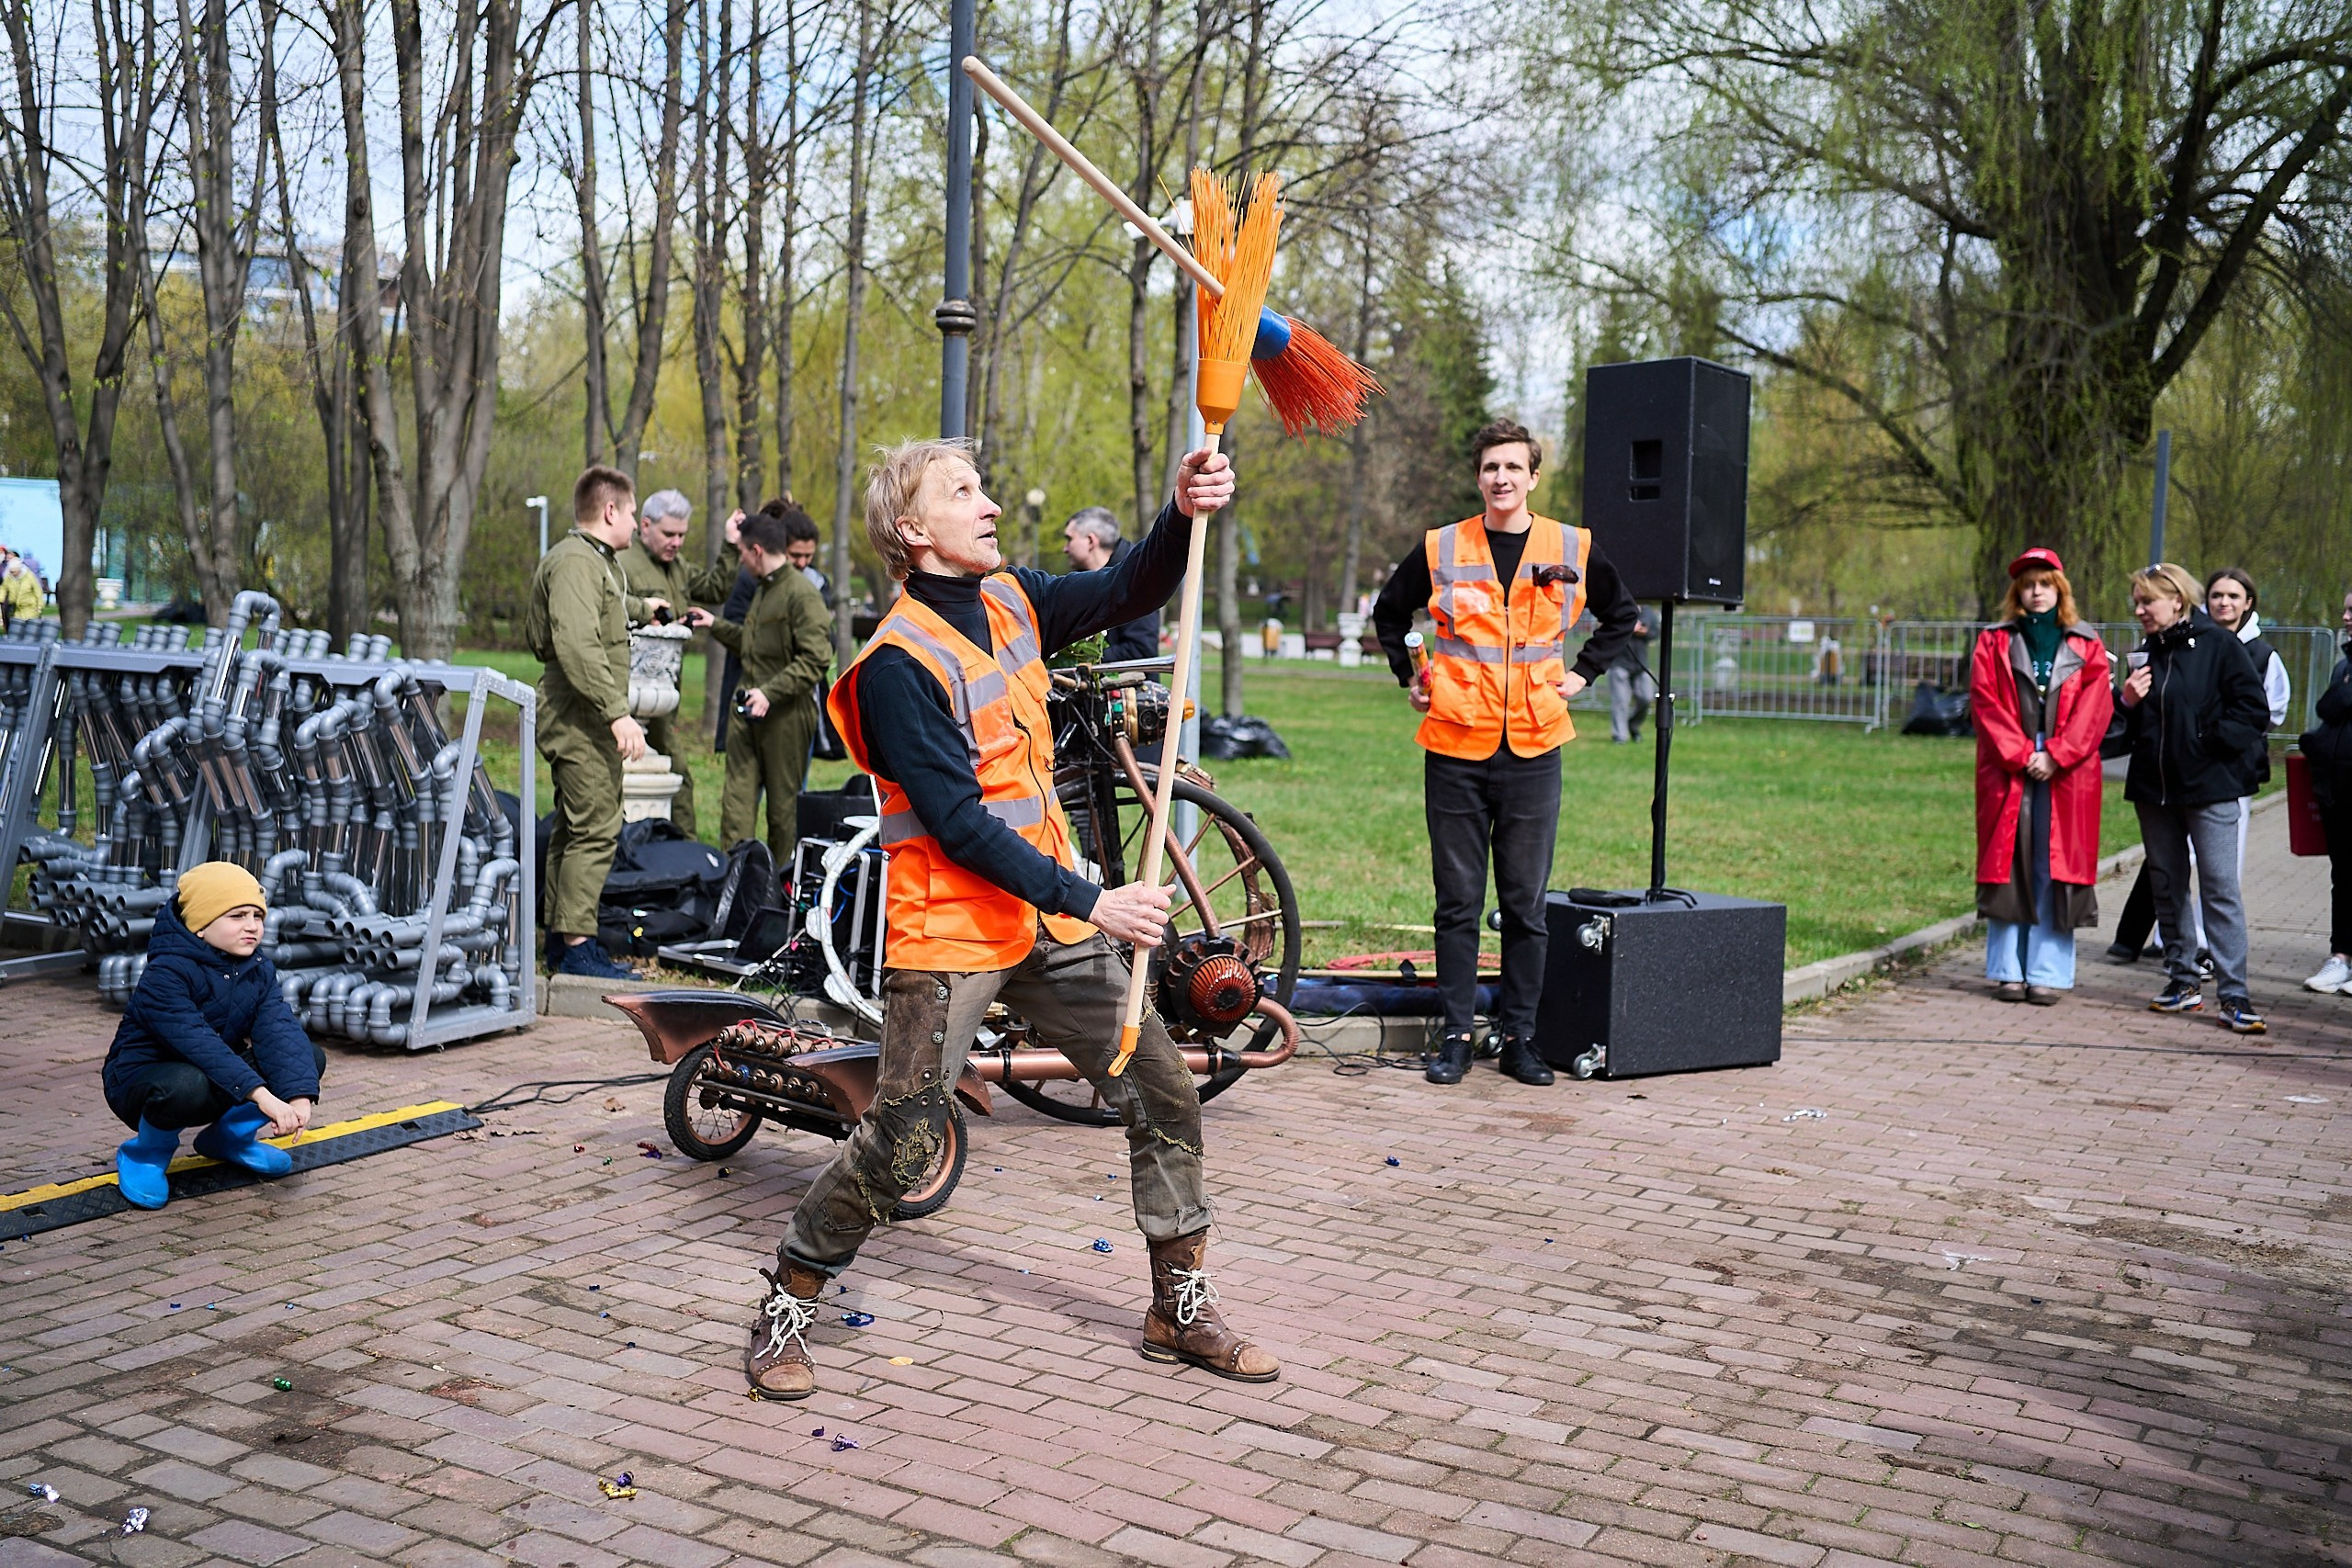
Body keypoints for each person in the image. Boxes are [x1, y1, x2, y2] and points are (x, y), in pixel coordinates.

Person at [741, 436, 1278, 1401]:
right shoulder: (895, 665)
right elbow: (955, 823)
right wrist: (1092, 897)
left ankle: (1178, 1306)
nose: (988, 505)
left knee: (1163, 1088)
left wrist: (1183, 508)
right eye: (963, 492)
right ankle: (788, 1294)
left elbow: (1127, 587)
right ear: (911, 532)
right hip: (953, 927)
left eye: (984, 486)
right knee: (904, 1141)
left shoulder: (1012, 600)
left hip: (1049, 926)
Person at [1371, 417, 1642, 1087]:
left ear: (1533, 476)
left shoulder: (1569, 545)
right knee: (1457, 901)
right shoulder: (1442, 546)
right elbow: (1388, 612)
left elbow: (1621, 614)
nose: (1501, 478)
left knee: (1525, 905)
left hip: (1534, 746)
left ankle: (1520, 1037)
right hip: (1456, 746)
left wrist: (1580, 675)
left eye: (1513, 468)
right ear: (1479, 475)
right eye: (1491, 467)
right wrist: (1412, 679)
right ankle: (1457, 1036)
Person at [2104, 562, 2271, 1032]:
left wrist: (2206, 743)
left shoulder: (2219, 645)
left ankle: (2234, 992)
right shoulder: (2145, 655)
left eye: (2146, 601)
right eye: (2136, 602)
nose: (2138, 611)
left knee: (2219, 886)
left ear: (2176, 599)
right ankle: (2182, 980)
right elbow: (2118, 734)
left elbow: (2251, 710)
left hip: (2209, 788)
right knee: (2167, 885)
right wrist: (2127, 703)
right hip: (2154, 791)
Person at [102, 862, 326, 1210]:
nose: (252, 926)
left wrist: (297, 1095)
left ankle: (229, 1140)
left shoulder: (257, 968)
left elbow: (278, 1030)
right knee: (185, 1083)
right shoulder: (166, 972)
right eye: (237, 916)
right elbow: (199, 1044)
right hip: (144, 1080)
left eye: (257, 915)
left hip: (215, 1075)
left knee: (306, 1058)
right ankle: (146, 1155)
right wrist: (265, 1098)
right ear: (200, 927)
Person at [527, 465, 660, 981]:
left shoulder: (592, 562)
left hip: (581, 709)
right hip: (579, 712)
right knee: (596, 827)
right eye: (632, 512)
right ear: (610, 511)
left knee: (576, 825)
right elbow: (578, 644)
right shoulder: (578, 565)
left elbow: (605, 608)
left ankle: (562, 941)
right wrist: (618, 714)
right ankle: (578, 947)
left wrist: (646, 608)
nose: (634, 521)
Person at [1968, 548, 2112, 1004]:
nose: (2036, 592)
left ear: (2059, 590)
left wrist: (2057, 754)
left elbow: (2095, 711)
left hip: (2067, 771)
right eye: (2029, 584)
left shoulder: (2085, 645)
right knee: (2010, 863)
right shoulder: (1994, 642)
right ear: (2017, 591)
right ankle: (2007, 969)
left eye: (2045, 584)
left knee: (2056, 866)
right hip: (2008, 765)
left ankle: (2048, 972)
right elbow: (1985, 703)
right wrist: (2018, 752)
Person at [695, 504, 832, 867]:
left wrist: (770, 693)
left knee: (783, 814)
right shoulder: (762, 589)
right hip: (748, 713)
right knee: (736, 805)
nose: (740, 560)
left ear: (756, 551)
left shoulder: (801, 594)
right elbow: (754, 645)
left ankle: (780, 891)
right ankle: (734, 884)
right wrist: (714, 624)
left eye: (741, 553)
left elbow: (817, 658)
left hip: (786, 717)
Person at [617, 490, 741, 837]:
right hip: (626, 695)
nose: (676, 542)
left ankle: (681, 850)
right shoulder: (623, 563)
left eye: (682, 535)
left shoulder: (678, 567)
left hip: (662, 695)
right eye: (669, 534)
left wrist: (731, 545)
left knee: (675, 775)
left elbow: (715, 589)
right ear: (645, 526)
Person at [2301, 590, 2352, 995]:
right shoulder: (2343, 667)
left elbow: (2333, 706)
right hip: (2337, 789)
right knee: (2344, 876)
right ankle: (2342, 958)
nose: (2345, 616)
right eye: (2346, 607)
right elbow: (2328, 714)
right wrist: (2314, 744)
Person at [1064, 506, 1161, 661]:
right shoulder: (1080, 579)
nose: (1065, 548)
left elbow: (1141, 650)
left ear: (1090, 541)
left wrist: (1079, 660)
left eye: (1070, 539)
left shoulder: (1138, 573)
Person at [1610, 604, 1657, 744]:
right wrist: (1627, 627)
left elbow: (1654, 632)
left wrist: (1643, 631)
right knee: (1621, 701)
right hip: (1619, 663)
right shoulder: (1616, 607)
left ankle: (1633, 725)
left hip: (1641, 665)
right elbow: (1605, 629)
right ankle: (1620, 736)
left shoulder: (1647, 611)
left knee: (1646, 698)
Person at [0, 547, 42, 630]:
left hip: (30, 608)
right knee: (17, 630)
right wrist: (1, 598)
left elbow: (38, 591)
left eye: (14, 572)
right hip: (16, 609)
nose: (13, 573)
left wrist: (39, 605)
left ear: (19, 569)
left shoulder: (29, 576)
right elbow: (3, 588)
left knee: (29, 630)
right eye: (11, 571)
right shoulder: (9, 577)